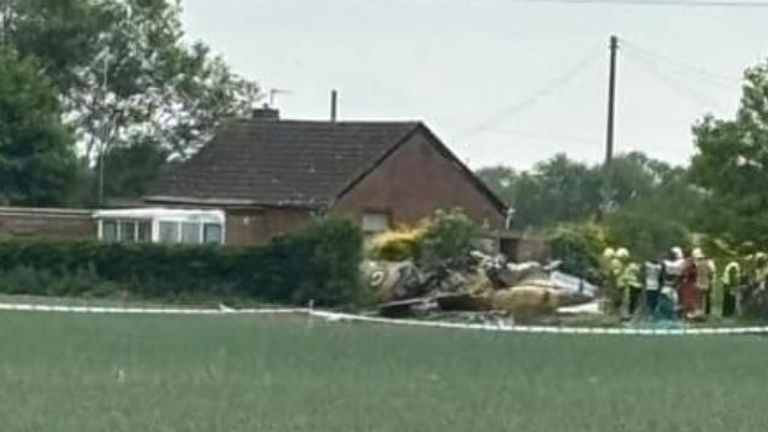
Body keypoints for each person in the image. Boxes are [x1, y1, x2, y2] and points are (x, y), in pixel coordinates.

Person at [616, 248, 641, 317]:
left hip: (632, 285)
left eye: (621, 258)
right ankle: (626, 314)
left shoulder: (632, 265)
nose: (621, 260)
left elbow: (638, 274)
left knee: (631, 301)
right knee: (626, 301)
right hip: (626, 285)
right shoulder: (623, 266)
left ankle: (630, 314)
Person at [693, 248, 716, 316]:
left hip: (698, 282)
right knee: (707, 298)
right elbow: (712, 272)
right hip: (707, 282)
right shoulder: (709, 262)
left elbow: (694, 273)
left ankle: (699, 312)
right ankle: (707, 312)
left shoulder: (696, 263)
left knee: (699, 299)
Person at [679, 249, 699, 318]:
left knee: (689, 299)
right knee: (689, 299)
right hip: (689, 284)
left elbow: (685, 272)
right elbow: (686, 272)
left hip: (690, 283)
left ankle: (689, 313)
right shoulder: (689, 262)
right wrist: (686, 278)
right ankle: (688, 313)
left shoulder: (688, 262)